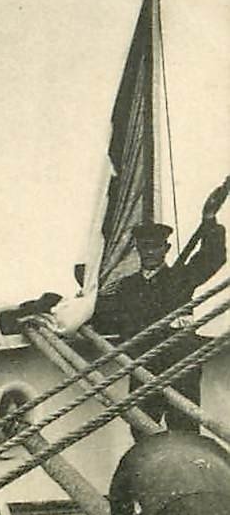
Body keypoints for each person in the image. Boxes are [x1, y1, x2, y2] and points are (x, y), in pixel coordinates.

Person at [90, 176, 228, 434]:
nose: (150, 252)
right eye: (145, 247)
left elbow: (213, 257)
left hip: (180, 369)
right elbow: (102, 315)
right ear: (138, 249)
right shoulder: (126, 288)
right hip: (143, 369)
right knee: (142, 432)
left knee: (185, 431)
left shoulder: (181, 278)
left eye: (155, 247)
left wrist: (209, 220)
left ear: (166, 248)